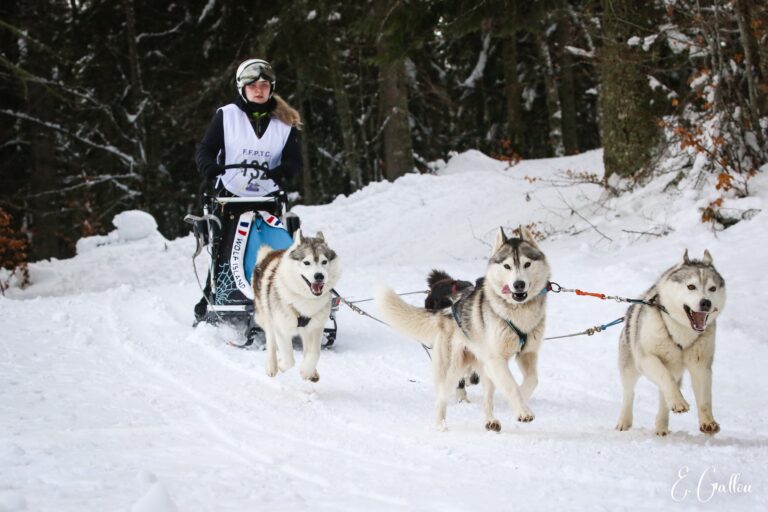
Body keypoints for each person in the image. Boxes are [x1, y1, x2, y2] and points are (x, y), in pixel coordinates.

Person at [193, 58, 303, 322]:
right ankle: (213, 294)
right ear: (242, 88)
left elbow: (293, 159)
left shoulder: (285, 122)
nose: (259, 90)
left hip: (267, 198)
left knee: (276, 245)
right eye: (252, 85)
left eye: (264, 85)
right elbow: (205, 150)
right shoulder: (227, 115)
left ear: (271, 88)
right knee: (224, 249)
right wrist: (209, 168)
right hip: (230, 197)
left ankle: (293, 293)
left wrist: (283, 171)